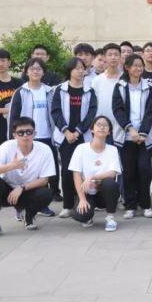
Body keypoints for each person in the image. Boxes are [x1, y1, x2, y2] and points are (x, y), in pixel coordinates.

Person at [0, 117, 55, 238]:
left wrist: (21, 188)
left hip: (27, 190)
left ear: (34, 133)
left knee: (46, 193)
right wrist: (12, 166)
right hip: (6, 192)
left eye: (29, 132)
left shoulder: (44, 150)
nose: (25, 136)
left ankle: (28, 216)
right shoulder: (7, 147)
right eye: (21, 133)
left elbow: (44, 180)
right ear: (14, 135)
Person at [8, 57, 59, 213]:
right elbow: (13, 117)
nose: (35, 71)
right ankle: (22, 203)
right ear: (26, 72)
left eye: (38, 69)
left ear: (44, 72)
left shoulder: (49, 91)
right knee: (28, 171)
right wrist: (12, 140)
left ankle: (42, 204)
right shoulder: (21, 92)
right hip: (27, 138)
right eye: (32, 69)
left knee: (45, 172)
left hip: (47, 137)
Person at [51, 57, 97, 218]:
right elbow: (55, 112)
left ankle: (83, 202)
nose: (80, 71)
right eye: (77, 68)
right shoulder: (60, 89)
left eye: (82, 68)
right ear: (69, 70)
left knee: (83, 171)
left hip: (82, 137)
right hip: (65, 137)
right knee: (67, 171)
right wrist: (66, 132)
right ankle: (68, 205)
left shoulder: (89, 90)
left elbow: (92, 113)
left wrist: (77, 132)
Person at [112, 54, 152, 219]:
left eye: (140, 65)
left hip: (144, 137)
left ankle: (145, 205)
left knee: (145, 169)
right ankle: (130, 206)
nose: (138, 68)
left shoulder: (148, 87)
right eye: (135, 65)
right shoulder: (120, 86)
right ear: (127, 68)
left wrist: (143, 133)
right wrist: (130, 130)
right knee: (128, 171)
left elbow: (150, 112)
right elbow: (118, 110)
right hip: (126, 137)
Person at [69, 115, 121, 231]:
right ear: (92, 129)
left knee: (110, 183)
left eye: (105, 125)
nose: (102, 127)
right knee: (82, 215)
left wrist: (92, 177)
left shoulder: (112, 150)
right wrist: (82, 199)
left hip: (103, 192)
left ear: (109, 132)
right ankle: (87, 214)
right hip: (86, 190)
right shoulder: (81, 148)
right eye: (99, 124)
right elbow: (76, 175)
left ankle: (110, 217)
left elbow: (113, 173)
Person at [91, 43, 123, 143]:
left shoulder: (125, 80)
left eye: (116, 54)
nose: (113, 57)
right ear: (105, 57)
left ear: (120, 57)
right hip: (102, 128)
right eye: (110, 55)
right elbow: (93, 105)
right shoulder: (97, 80)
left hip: (122, 127)